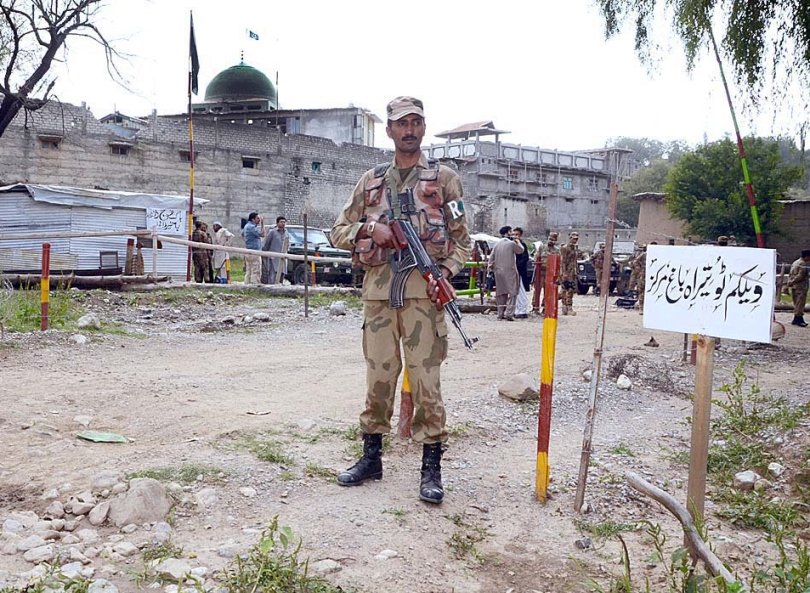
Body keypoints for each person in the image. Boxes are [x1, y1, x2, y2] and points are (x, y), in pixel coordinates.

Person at [330, 96, 471, 505]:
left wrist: (443, 274)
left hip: (424, 297)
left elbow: (462, 241)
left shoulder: (444, 180)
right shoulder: (371, 180)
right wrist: (369, 229)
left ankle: (431, 466)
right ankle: (372, 455)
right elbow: (338, 230)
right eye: (401, 123)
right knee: (379, 377)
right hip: (378, 295)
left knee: (426, 381)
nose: (408, 130)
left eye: (416, 123)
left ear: (423, 129)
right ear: (389, 131)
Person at [489, 226, 524, 321]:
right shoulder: (511, 244)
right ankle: (509, 313)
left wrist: (491, 268)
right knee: (512, 292)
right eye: (511, 231)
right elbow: (521, 250)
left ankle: (500, 314)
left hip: (498, 271)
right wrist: (518, 241)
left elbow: (491, 259)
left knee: (500, 293)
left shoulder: (497, 244)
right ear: (508, 232)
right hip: (510, 271)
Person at [532, 231, 559, 315]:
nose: (551, 241)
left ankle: (545, 308)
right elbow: (536, 258)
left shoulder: (557, 250)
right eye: (550, 239)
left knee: (548, 291)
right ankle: (535, 307)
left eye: (553, 239)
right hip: (540, 272)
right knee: (537, 290)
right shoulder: (541, 247)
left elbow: (558, 262)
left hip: (550, 273)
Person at [261, 216, 288, 284]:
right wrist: (266, 254)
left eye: (284, 222)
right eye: (281, 222)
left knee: (282, 274)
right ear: (277, 223)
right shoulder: (272, 232)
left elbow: (287, 244)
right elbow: (266, 244)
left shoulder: (286, 232)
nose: (283, 224)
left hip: (283, 258)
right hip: (273, 258)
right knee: (272, 275)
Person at [788, 249, 810, 327]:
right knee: (800, 303)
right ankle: (799, 319)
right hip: (801, 287)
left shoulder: (795, 262)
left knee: (796, 303)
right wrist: (793, 281)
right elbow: (800, 276)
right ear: (806, 256)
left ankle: (796, 319)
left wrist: (790, 282)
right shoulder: (803, 264)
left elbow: (791, 274)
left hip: (794, 287)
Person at [559, 232, 579, 315]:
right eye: (573, 238)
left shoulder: (574, 248)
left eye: (576, 239)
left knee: (571, 289)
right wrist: (564, 273)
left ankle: (568, 307)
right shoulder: (565, 248)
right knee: (566, 289)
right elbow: (563, 261)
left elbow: (574, 261)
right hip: (566, 272)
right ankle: (566, 307)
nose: (575, 240)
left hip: (572, 272)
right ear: (570, 237)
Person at [242, 212, 265, 285]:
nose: (259, 220)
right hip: (254, 251)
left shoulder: (246, 226)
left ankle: (247, 283)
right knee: (256, 268)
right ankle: (255, 284)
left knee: (249, 270)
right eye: (257, 218)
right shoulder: (251, 227)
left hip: (249, 249)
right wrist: (262, 224)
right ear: (253, 219)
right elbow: (262, 234)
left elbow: (242, 234)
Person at [512, 227, 530, 318]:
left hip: (520, 272)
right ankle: (516, 309)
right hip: (513, 272)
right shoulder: (511, 245)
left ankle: (522, 310)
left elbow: (524, 258)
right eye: (514, 235)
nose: (515, 237)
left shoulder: (523, 246)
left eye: (517, 235)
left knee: (521, 291)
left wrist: (516, 266)